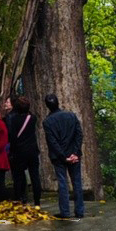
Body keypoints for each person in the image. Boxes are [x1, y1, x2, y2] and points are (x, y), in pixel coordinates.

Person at [44, 92, 85, 220]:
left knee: (63, 183)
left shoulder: (48, 122)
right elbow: (79, 135)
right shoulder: (71, 116)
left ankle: (65, 211)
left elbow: (52, 142)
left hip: (59, 157)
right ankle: (79, 210)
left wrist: (62, 156)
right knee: (77, 182)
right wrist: (75, 152)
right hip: (73, 154)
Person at [6, 96, 42, 205]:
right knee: (35, 176)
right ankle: (37, 201)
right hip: (32, 150)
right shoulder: (33, 118)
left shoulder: (13, 119)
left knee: (18, 176)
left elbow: (12, 137)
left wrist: (11, 151)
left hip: (19, 151)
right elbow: (29, 113)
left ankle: (21, 198)